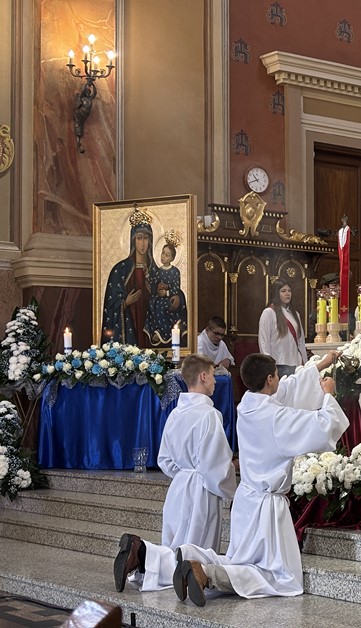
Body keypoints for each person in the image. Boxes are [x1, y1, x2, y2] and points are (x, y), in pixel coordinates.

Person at [171, 353, 349, 606]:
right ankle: (207, 573)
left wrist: (319, 366)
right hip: (267, 509)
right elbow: (324, 425)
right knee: (278, 576)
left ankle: (188, 555)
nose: (279, 379)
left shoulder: (246, 405)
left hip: (246, 500)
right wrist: (328, 395)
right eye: (276, 374)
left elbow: (285, 390)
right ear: (269, 379)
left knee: (240, 559)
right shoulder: (277, 418)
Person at [113, 354, 237, 593]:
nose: (215, 381)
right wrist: (232, 489)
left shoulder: (175, 414)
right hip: (201, 489)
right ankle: (142, 553)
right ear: (203, 376)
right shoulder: (209, 415)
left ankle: (141, 556)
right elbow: (215, 465)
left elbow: (165, 459)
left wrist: (184, 473)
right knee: (193, 552)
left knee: (175, 543)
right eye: (213, 376)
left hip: (179, 487)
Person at [101, 209, 158, 347]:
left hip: (148, 324)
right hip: (129, 323)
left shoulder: (155, 270)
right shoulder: (120, 270)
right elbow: (110, 304)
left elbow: (163, 298)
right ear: (133, 240)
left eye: (146, 238)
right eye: (139, 238)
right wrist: (125, 303)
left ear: (150, 241)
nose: (143, 243)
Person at [145, 239, 188, 346]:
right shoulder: (159, 271)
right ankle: (158, 329)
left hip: (170, 297)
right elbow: (154, 282)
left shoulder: (175, 271)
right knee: (152, 303)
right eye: (163, 253)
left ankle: (165, 332)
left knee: (162, 306)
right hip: (159, 296)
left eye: (167, 255)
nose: (163, 256)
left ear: (172, 258)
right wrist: (147, 276)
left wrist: (166, 293)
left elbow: (176, 288)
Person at [259, 280, 307, 372]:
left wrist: (305, 362)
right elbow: (264, 342)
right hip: (278, 362)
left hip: (295, 362)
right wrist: (268, 365)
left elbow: (301, 341)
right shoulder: (269, 313)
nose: (287, 294)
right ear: (276, 293)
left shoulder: (295, 314)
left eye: (289, 291)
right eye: (283, 291)